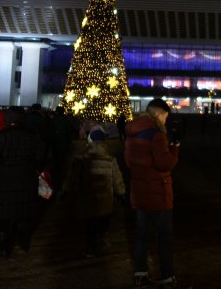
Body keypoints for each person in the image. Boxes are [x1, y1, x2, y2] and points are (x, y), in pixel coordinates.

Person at [124, 99, 182, 288]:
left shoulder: (132, 132)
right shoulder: (157, 135)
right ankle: (167, 277)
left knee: (141, 235)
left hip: (140, 192)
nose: (165, 121)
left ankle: (140, 274)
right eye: (165, 117)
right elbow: (164, 163)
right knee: (164, 237)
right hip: (158, 192)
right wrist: (174, 150)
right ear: (159, 114)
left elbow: (128, 161)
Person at [0, 108, 46, 257]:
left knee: (1, 216)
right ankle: (23, 241)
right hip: (26, 180)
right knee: (24, 214)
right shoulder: (32, 136)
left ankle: (3, 246)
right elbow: (41, 157)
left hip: (2, 182)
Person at [63, 125, 126, 257]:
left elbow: (72, 177)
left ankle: (90, 247)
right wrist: (121, 193)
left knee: (90, 224)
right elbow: (117, 178)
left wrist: (66, 190)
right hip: (105, 197)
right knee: (103, 221)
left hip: (87, 196)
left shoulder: (81, 158)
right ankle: (103, 239)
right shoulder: (110, 158)